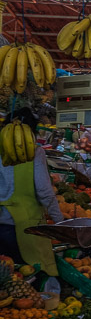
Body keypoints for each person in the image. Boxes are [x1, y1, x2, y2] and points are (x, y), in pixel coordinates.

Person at [0, 108, 64, 274]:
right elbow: (43, 190)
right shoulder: (35, 152)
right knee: (27, 274)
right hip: (23, 227)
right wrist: (60, 222)